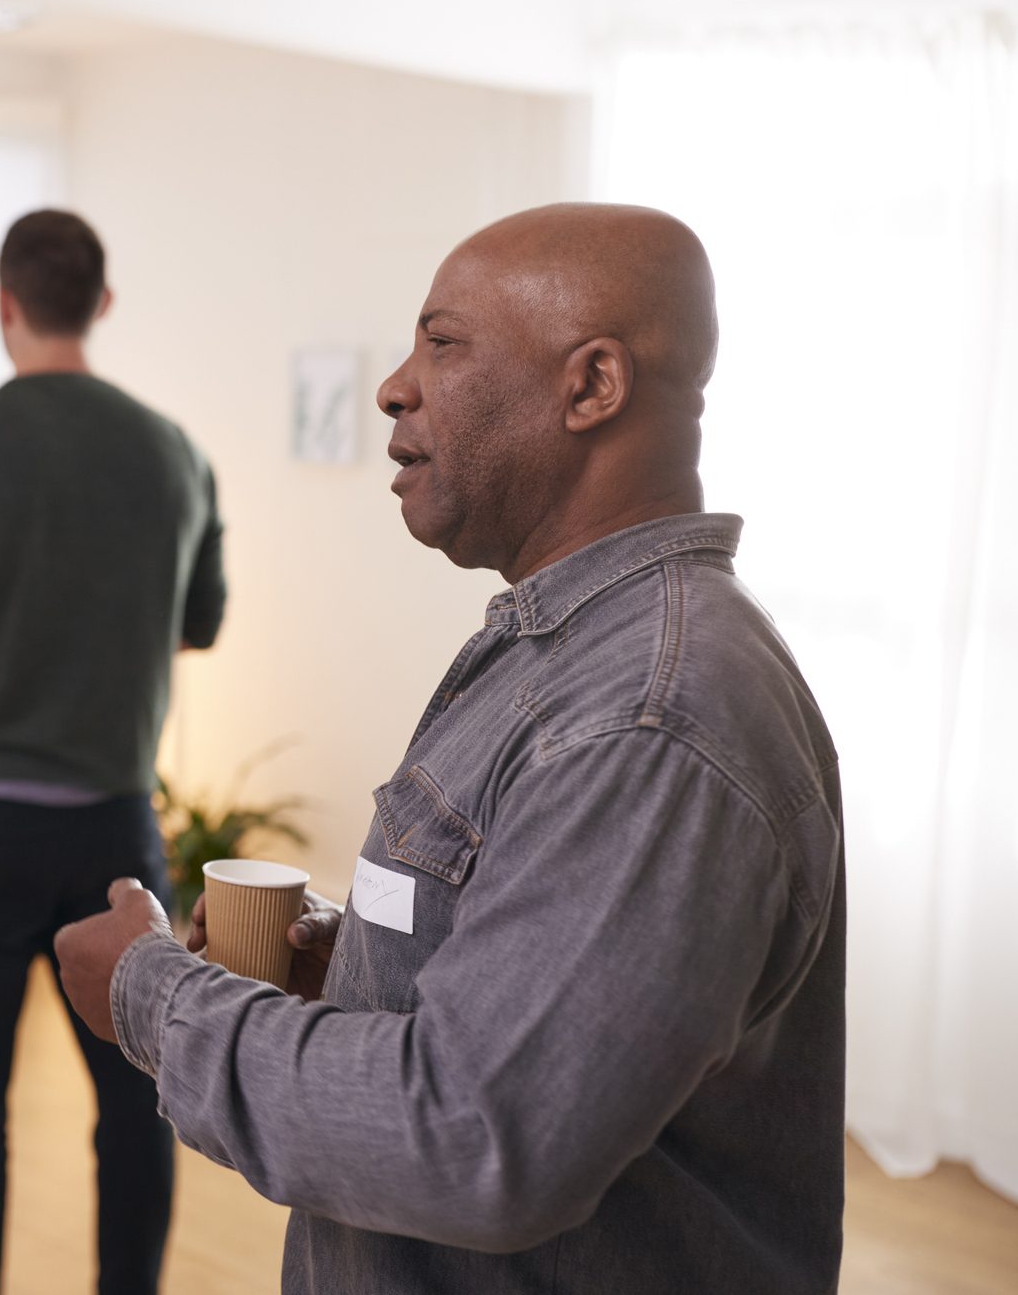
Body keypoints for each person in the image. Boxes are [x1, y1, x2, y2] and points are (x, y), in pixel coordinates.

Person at [54, 203, 845, 1293]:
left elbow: (474, 1136)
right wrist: (359, 963)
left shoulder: (648, 717)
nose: (394, 386)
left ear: (592, 386)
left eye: (443, 341)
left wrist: (148, 994)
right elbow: (550, 1011)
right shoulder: (562, 647)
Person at [0, 209, 227, 1295]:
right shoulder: (177, 452)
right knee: (139, 1096)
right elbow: (197, 622)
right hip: (113, 821)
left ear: (5, 304)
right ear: (103, 304)